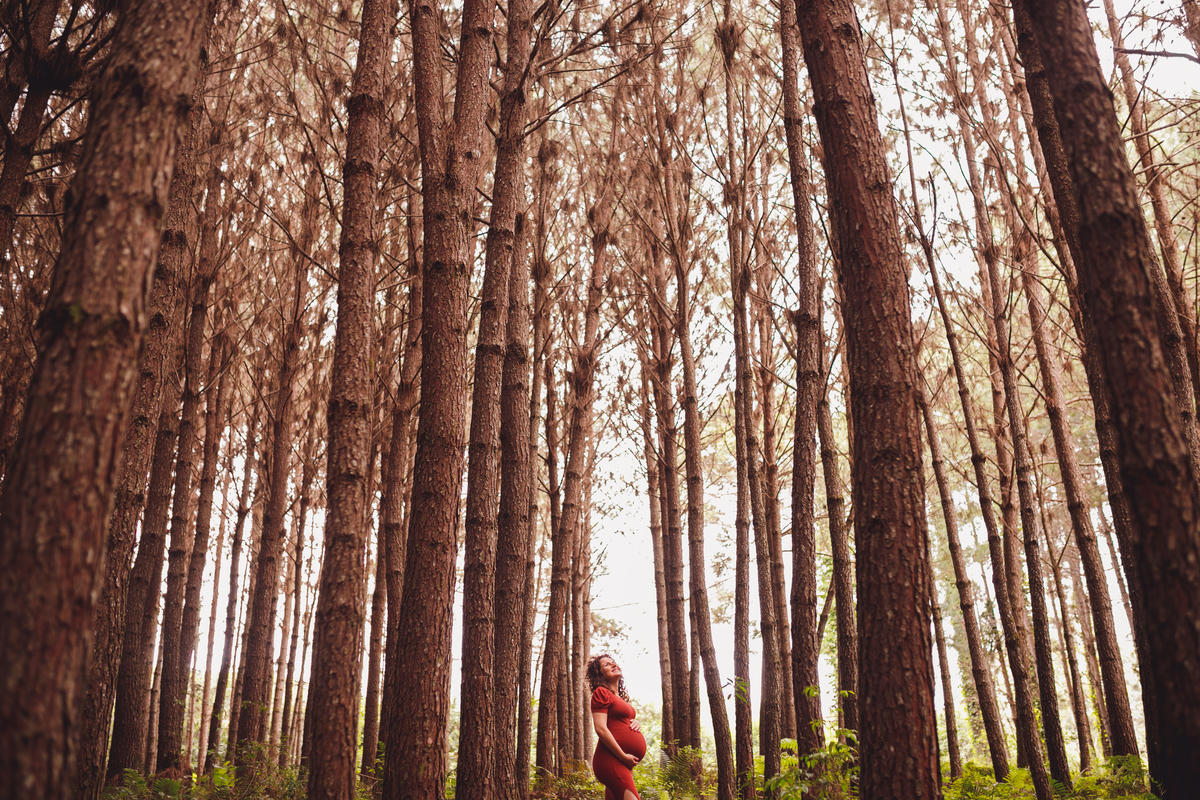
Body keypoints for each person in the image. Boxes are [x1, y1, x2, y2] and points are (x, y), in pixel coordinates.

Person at [587, 653, 647, 800]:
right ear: (599, 674)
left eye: (613, 662)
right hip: (611, 759)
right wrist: (623, 757)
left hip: (623, 763)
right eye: (606, 665)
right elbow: (600, 728)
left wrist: (635, 722)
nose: (613, 665)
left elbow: (619, 721)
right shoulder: (601, 692)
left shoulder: (619, 698)